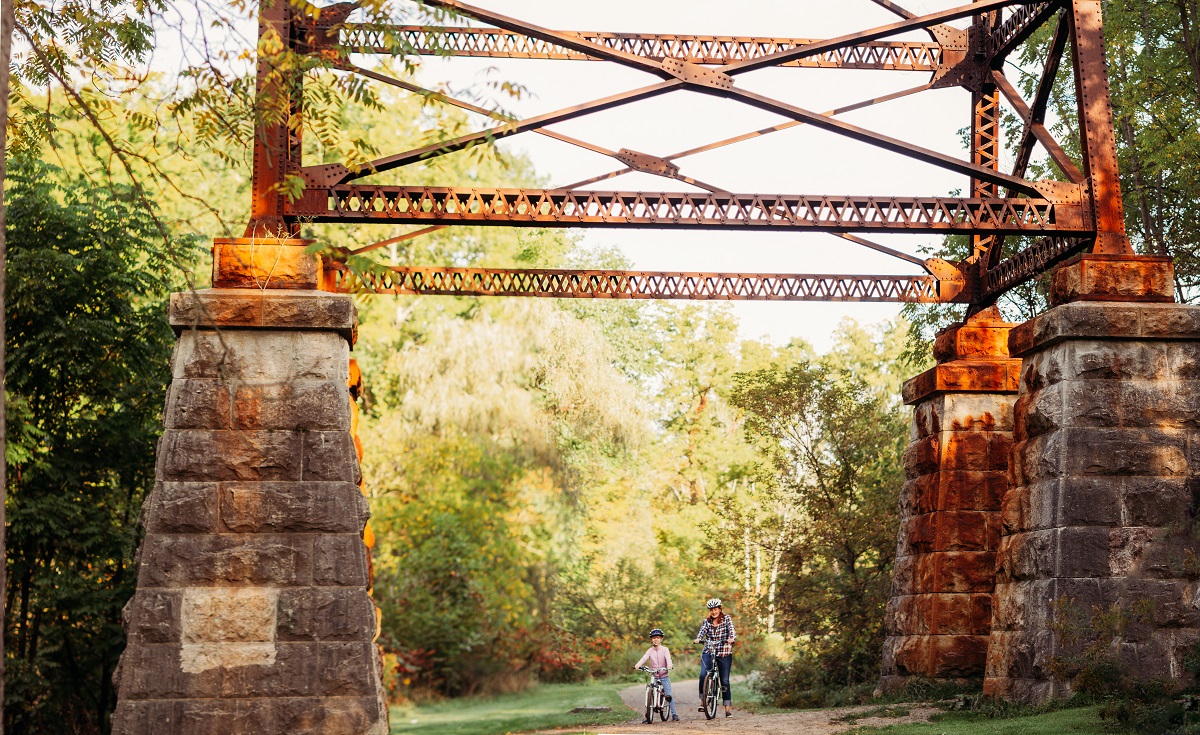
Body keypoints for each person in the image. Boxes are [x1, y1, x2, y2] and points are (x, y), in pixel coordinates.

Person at [694, 598, 736, 717]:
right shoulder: (706, 621)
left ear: (720, 609)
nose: (714, 612)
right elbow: (702, 631)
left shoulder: (726, 618)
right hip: (709, 650)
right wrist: (698, 638)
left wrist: (731, 639)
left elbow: (731, 630)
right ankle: (703, 702)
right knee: (703, 674)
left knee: (725, 681)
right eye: (711, 610)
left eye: (715, 609)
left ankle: (727, 710)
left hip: (724, 652)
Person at [633, 628, 679, 722]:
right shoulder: (650, 651)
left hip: (664, 676)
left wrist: (669, 665)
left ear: (661, 639)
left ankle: (674, 714)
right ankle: (648, 716)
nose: (656, 640)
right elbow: (644, 658)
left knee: (669, 695)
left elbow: (668, 659)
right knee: (650, 690)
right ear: (651, 639)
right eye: (654, 638)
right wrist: (638, 665)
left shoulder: (665, 649)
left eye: (657, 638)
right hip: (654, 675)